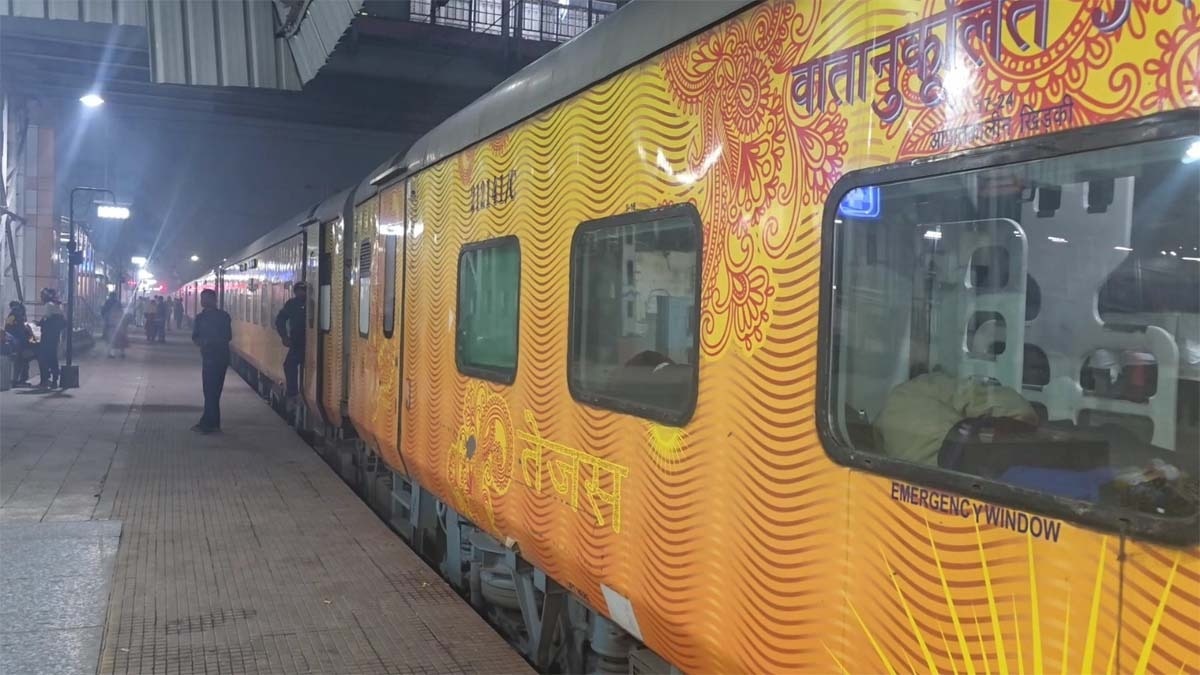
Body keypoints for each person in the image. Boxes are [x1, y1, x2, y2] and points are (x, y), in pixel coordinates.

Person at [191, 289, 231, 433]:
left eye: (205, 298)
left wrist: (208, 342)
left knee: (211, 391)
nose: (202, 301)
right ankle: (213, 423)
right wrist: (202, 342)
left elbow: (227, 336)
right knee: (213, 392)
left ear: (213, 300)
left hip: (215, 358)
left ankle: (208, 424)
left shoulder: (221, 317)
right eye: (202, 298)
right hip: (214, 357)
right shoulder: (203, 317)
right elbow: (195, 337)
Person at [274, 281, 307, 399]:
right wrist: (284, 336)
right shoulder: (292, 304)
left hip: (303, 342)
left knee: (289, 365)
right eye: (299, 290)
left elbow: (280, 320)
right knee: (289, 365)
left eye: (303, 290)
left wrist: (284, 336)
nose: (301, 293)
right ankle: (292, 392)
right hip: (297, 342)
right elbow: (280, 320)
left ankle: (292, 393)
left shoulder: (293, 304)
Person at [36, 289, 66, 389]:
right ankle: (54, 380)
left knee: (43, 357)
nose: (41, 298)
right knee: (52, 357)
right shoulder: (57, 305)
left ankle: (45, 380)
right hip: (55, 336)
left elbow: (46, 318)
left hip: (48, 336)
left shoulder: (49, 305)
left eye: (42, 296)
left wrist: (38, 323)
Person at [4, 301, 34, 387]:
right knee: (21, 361)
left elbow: (8, 328)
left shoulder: (14, 316)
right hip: (18, 343)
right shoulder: (15, 316)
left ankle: (19, 380)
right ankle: (18, 380)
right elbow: (8, 329)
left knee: (21, 361)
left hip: (19, 342)